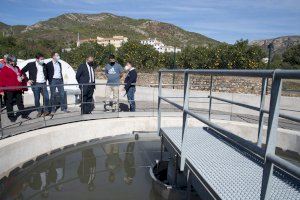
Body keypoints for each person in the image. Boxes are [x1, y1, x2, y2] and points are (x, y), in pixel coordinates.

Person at [0, 54, 30, 122]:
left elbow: (21, 75)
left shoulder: (17, 68)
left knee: (20, 102)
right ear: (9, 61)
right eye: (14, 61)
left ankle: (24, 115)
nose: (15, 62)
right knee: (9, 103)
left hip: (18, 88)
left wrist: (22, 78)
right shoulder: (4, 69)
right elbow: (1, 80)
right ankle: (11, 117)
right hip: (8, 90)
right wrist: (1, 90)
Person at [22, 53, 51, 117]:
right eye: (41, 59)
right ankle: (39, 111)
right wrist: (27, 80)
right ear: (37, 59)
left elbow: (47, 73)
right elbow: (22, 71)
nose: (43, 60)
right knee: (37, 98)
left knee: (46, 98)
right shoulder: (30, 64)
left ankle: (46, 110)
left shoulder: (44, 65)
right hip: (35, 84)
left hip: (43, 84)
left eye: (43, 59)